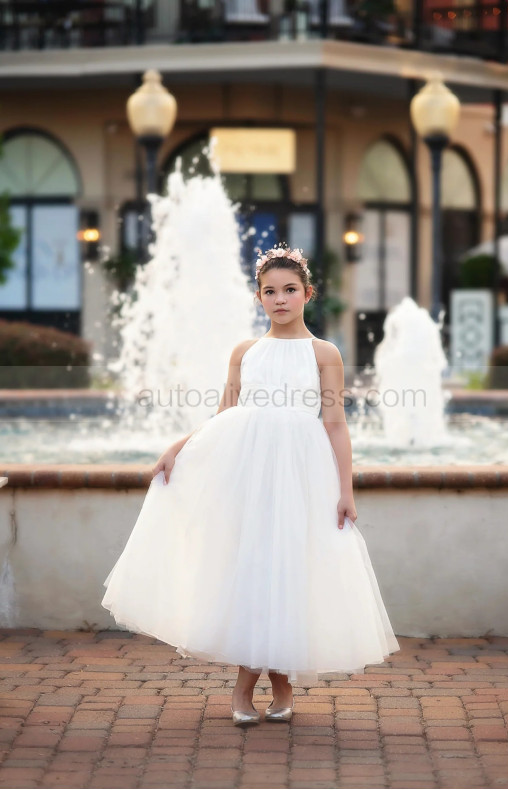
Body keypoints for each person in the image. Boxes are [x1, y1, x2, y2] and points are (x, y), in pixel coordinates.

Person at [102, 243, 401, 727]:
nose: (280, 299)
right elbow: (226, 415)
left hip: (301, 475)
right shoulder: (245, 352)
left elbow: (335, 425)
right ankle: (248, 685)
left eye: (289, 290)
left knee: (289, 568)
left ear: (308, 293)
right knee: (253, 564)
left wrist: (346, 491)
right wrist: (181, 445)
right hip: (247, 472)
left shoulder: (324, 353)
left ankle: (280, 681)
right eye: (270, 291)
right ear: (257, 297)